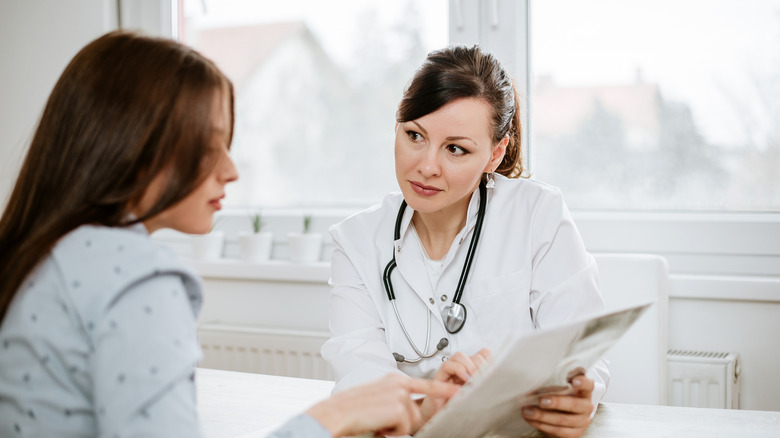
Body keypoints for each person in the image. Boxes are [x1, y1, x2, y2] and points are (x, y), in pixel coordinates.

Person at [0, 31, 459, 438]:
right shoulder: (136, 277)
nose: (231, 170)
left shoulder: (42, 253)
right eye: (208, 146)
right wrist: (332, 417)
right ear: (128, 147)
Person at [321, 45, 609, 438]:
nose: (426, 166)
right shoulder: (355, 243)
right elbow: (359, 379)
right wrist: (426, 406)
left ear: (494, 154)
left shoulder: (537, 214)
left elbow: (583, 348)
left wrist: (577, 398)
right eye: (415, 135)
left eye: (456, 148)